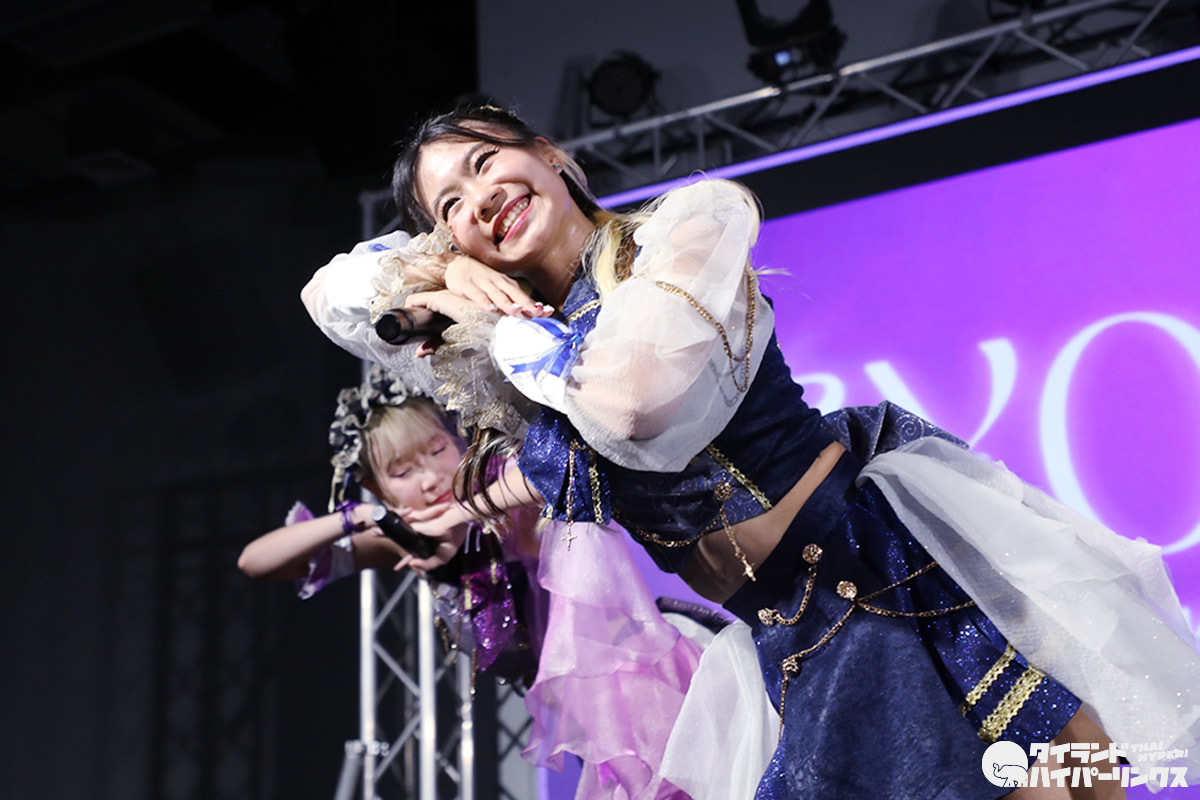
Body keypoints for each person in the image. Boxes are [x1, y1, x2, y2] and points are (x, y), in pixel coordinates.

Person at [304, 104, 1200, 800]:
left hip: (892, 582)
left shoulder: (678, 238)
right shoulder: (495, 326)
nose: (479, 198)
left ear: (549, 154)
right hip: (792, 644)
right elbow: (327, 295)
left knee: (1069, 776)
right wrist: (440, 272)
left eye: (485, 163)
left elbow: (632, 408)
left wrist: (496, 324)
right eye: (450, 207)